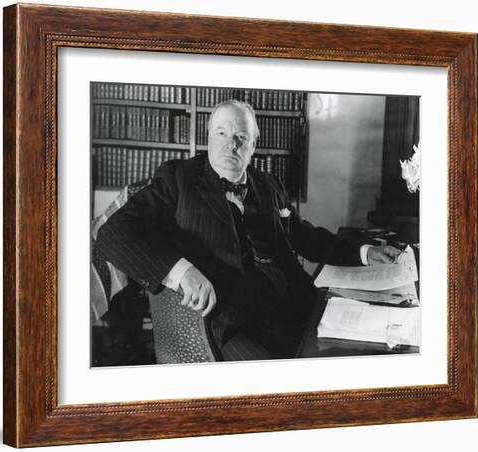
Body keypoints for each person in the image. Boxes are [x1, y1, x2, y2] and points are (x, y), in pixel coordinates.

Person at [96, 99, 401, 361]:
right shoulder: (178, 179)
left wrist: (363, 252)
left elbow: (303, 234)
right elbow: (114, 232)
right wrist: (182, 272)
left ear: (254, 145)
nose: (232, 144)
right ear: (209, 138)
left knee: (356, 352)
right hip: (230, 323)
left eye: (242, 136)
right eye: (222, 133)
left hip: (293, 307)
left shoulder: (267, 184)